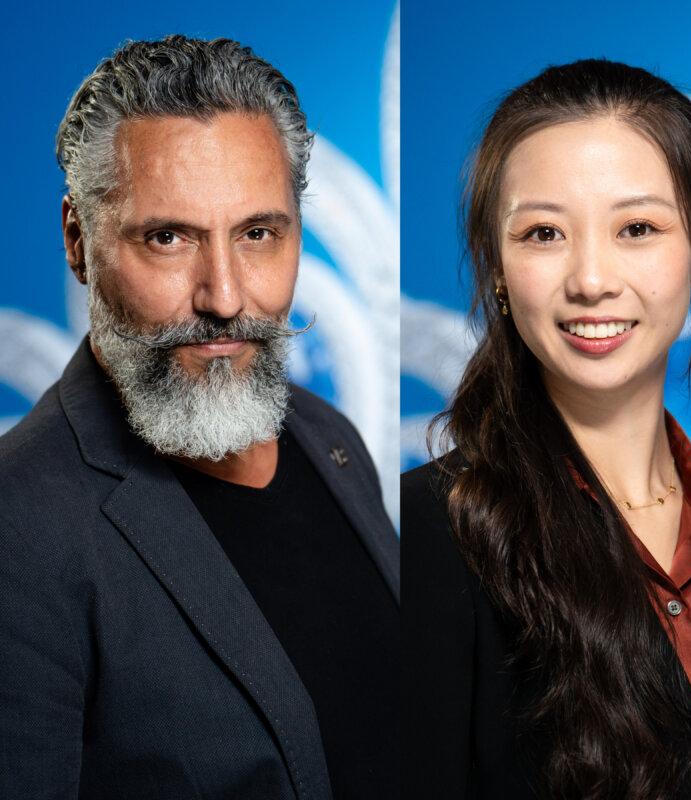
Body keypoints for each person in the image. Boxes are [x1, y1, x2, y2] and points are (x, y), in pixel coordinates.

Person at [0, 36, 399, 798]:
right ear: (79, 242)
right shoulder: (19, 531)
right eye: (167, 237)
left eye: (257, 234)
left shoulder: (329, 439)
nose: (223, 295)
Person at [400, 59, 691, 799]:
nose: (590, 279)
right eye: (544, 233)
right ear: (496, 263)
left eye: (637, 228)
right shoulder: (424, 534)